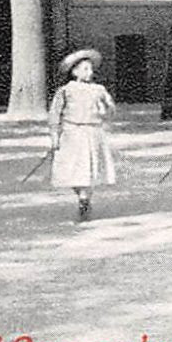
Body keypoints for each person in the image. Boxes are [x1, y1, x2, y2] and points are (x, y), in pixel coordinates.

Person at [47, 48, 116, 223]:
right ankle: (81, 194)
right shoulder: (65, 91)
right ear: (74, 71)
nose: (89, 72)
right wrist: (55, 136)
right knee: (71, 169)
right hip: (72, 133)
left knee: (88, 170)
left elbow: (110, 108)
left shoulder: (98, 89)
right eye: (85, 69)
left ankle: (84, 199)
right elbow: (55, 114)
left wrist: (106, 109)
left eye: (91, 69)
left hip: (92, 132)